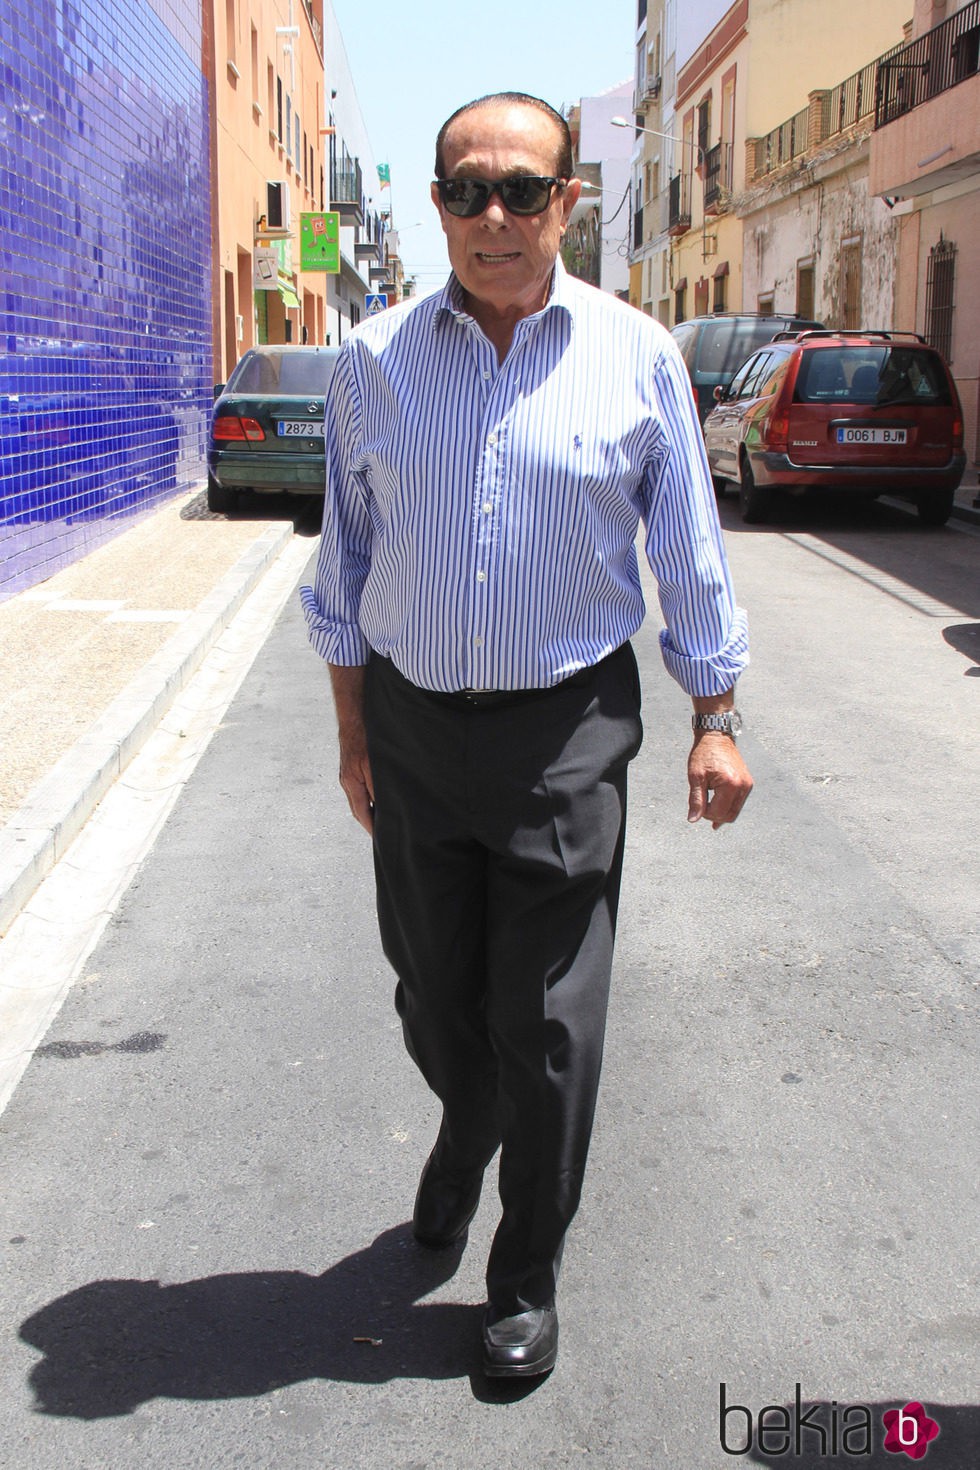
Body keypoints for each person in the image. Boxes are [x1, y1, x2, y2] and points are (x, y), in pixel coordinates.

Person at [302, 91, 754, 1379]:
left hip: (567, 730)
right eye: (464, 191)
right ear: (436, 203)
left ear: (568, 202)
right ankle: (465, 1122)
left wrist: (714, 716)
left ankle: (525, 1271)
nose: (492, 216)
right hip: (414, 725)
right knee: (438, 999)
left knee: (550, 1020)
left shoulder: (636, 356)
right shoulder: (375, 359)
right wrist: (353, 734)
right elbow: (348, 559)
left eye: (521, 190)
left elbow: (689, 554)